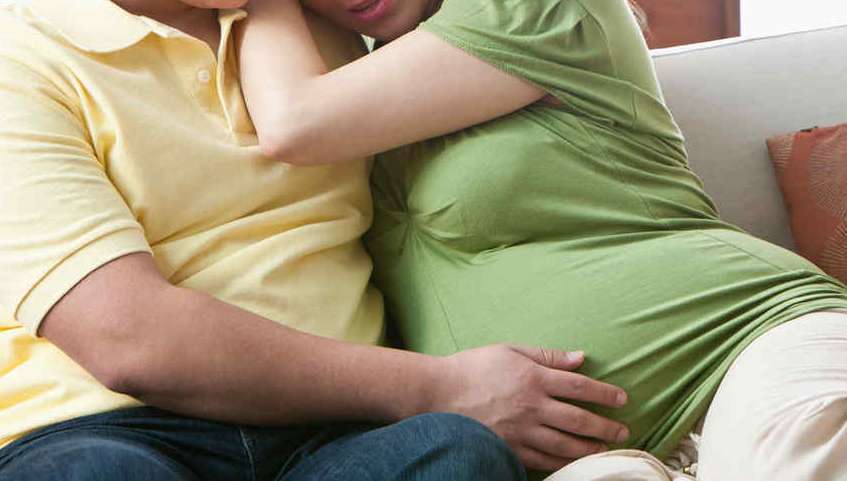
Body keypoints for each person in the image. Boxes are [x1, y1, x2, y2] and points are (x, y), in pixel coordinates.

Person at [0, 1, 634, 480]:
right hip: (106, 425)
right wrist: (438, 385)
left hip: (336, 431)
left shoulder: (330, 26)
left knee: (456, 454)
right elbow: (127, 338)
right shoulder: (21, 53)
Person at [237, 0, 847, 479]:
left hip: (741, 344)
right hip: (590, 457)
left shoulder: (535, 5)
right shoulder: (364, 77)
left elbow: (294, 123)